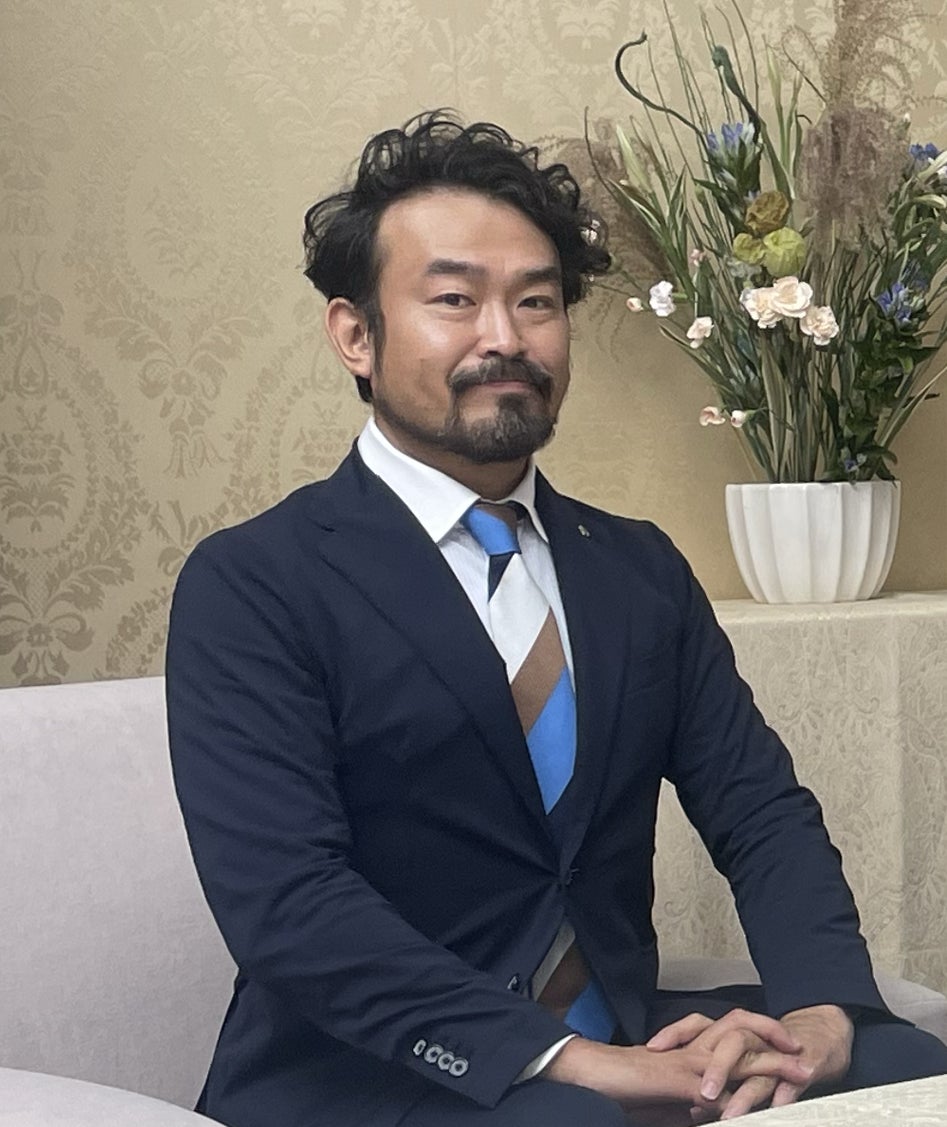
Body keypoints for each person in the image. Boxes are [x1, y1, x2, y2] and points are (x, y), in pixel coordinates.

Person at [166, 112, 947, 1127]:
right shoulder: (254, 581)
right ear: (355, 333)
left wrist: (818, 1010)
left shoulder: (635, 568)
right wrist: (569, 1062)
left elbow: (759, 812)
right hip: (366, 1073)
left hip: (617, 1028)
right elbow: (290, 902)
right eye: (454, 299)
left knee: (900, 1060)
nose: (505, 337)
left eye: (535, 301)